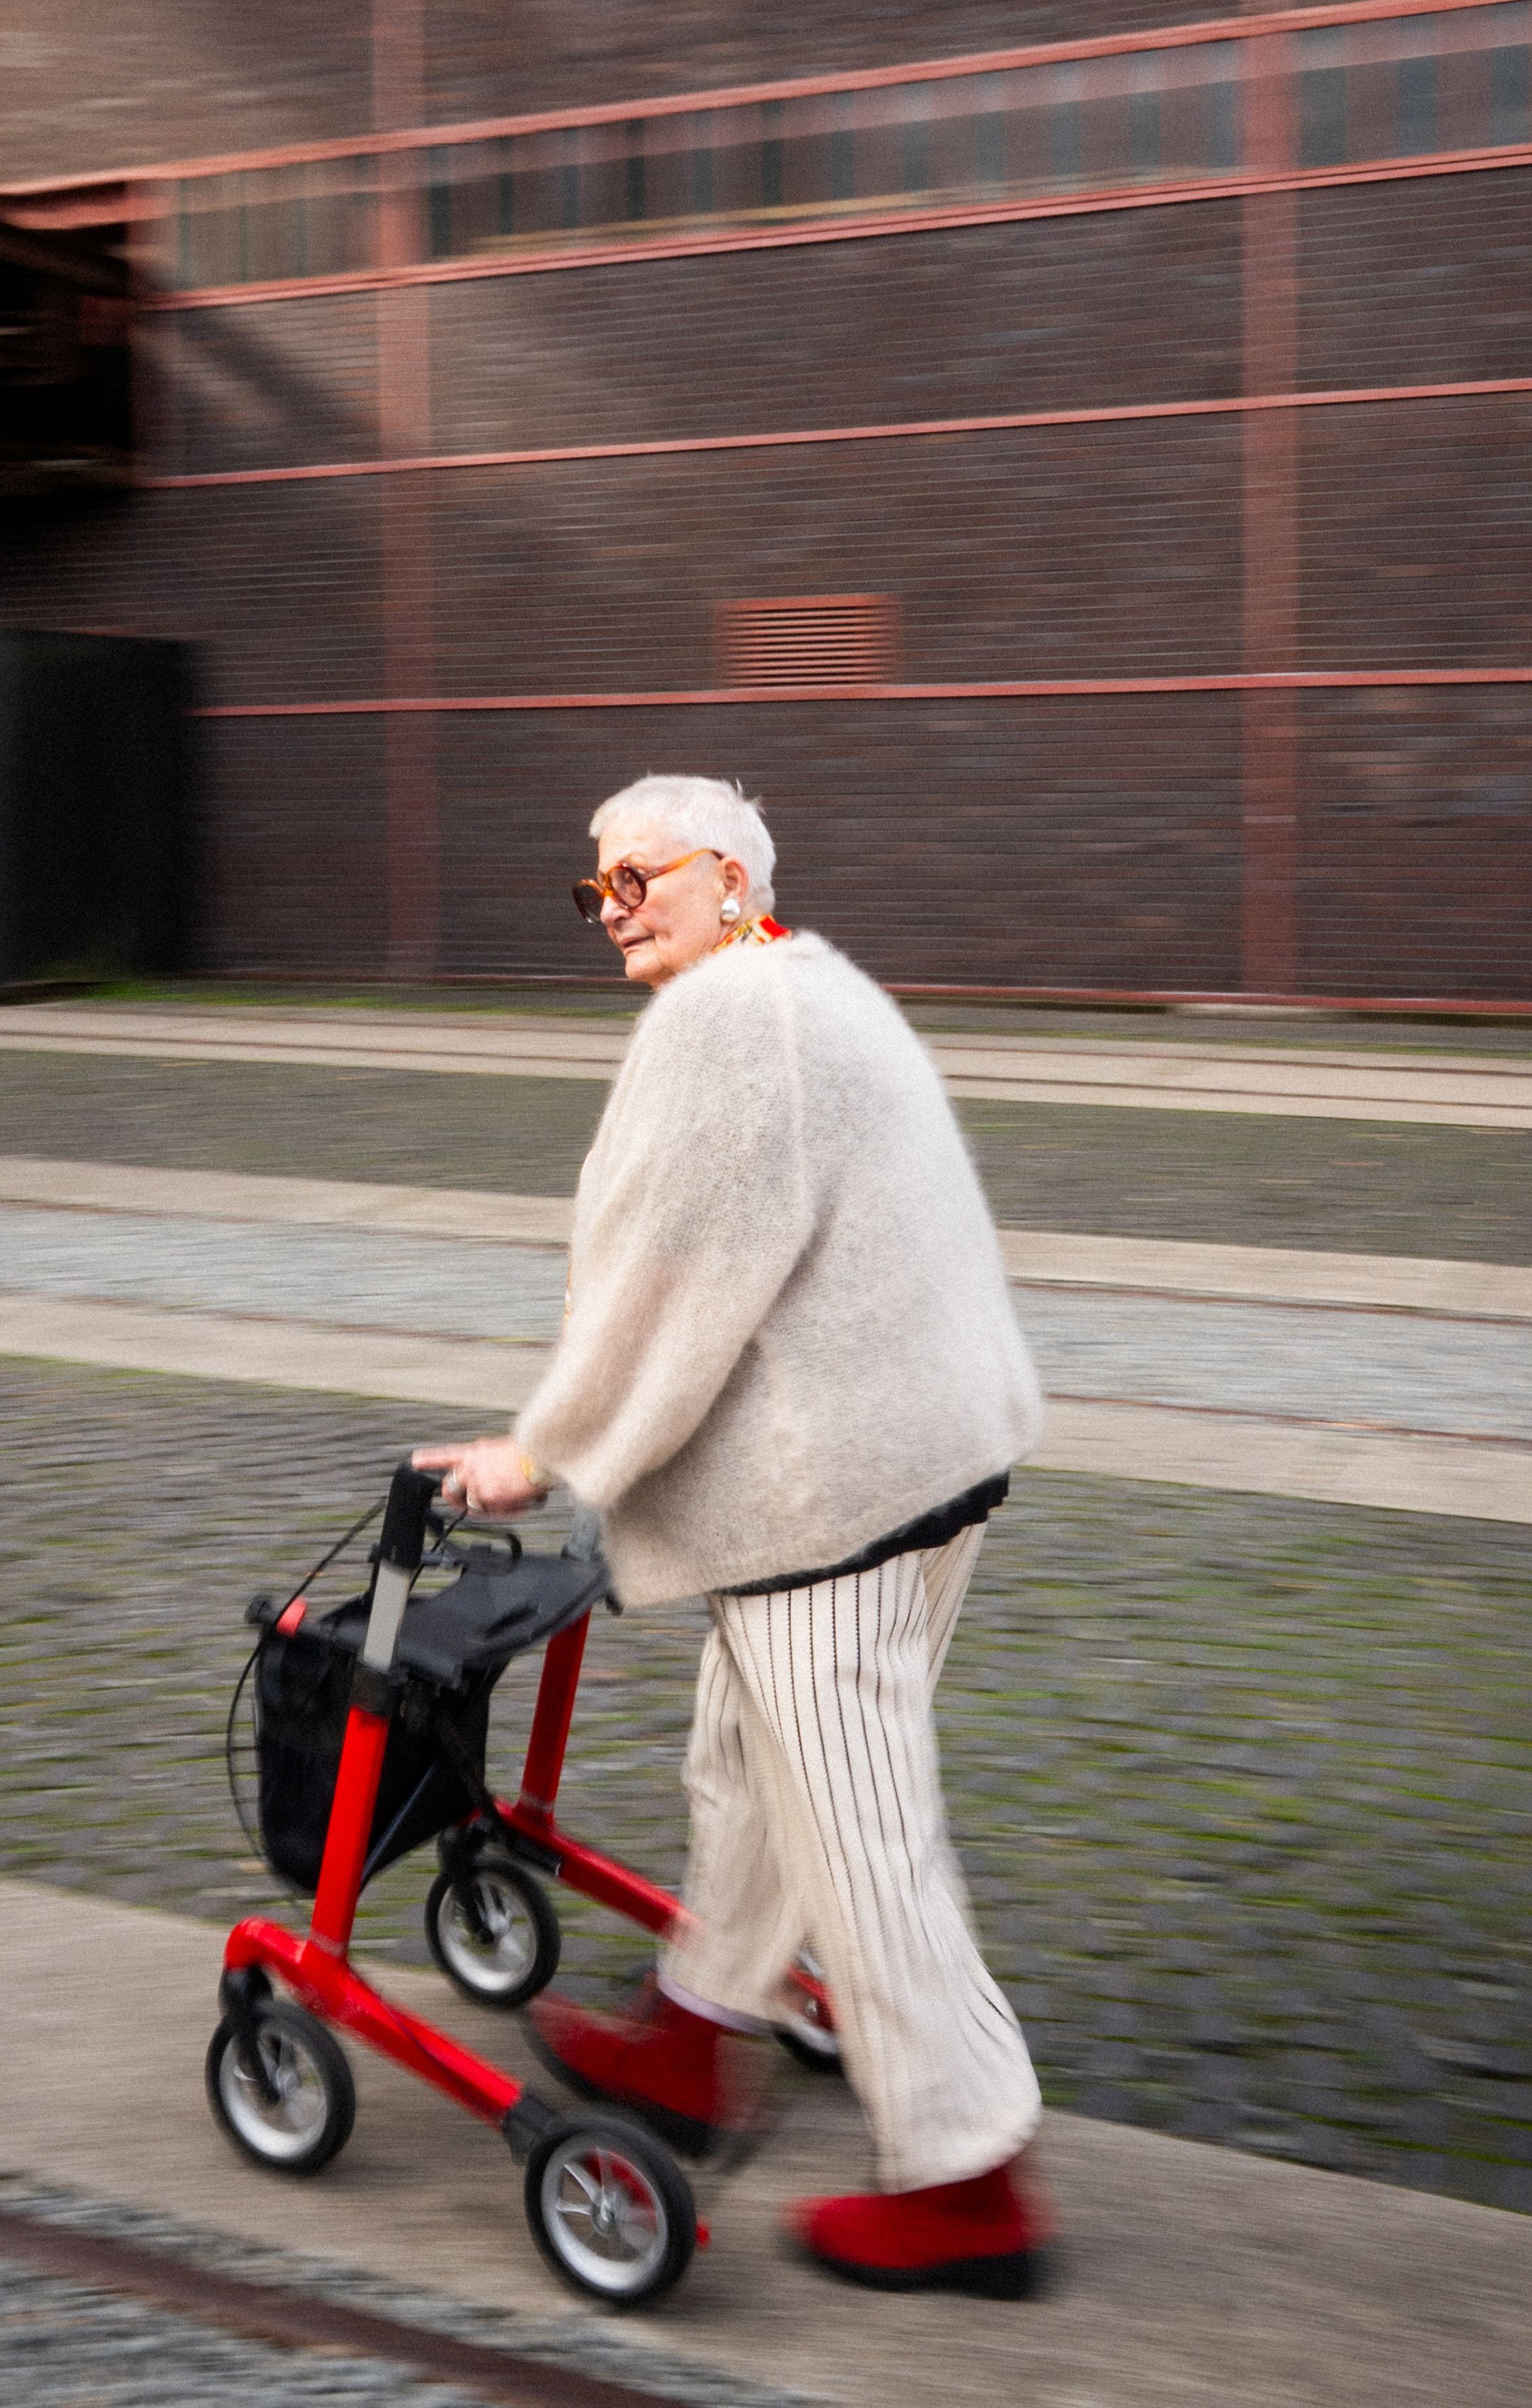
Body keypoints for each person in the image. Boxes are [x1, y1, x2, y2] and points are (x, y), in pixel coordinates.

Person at [414, 773, 1051, 2300]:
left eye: (642, 877)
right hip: (925, 1464)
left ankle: (970, 2180)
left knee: (859, 1827)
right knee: (754, 1763)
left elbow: (675, 1272)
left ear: (730, 874)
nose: (617, 906)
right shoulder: (812, 985)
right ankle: (698, 2040)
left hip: (832, 1500)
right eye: (596, 889)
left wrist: (541, 1452)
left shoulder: (724, 1020)